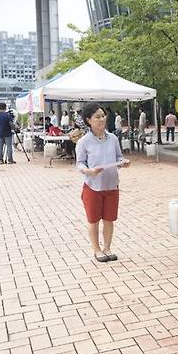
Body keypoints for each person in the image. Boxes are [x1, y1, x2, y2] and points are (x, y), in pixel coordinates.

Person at [75, 102, 130, 263]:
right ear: (88, 120)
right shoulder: (84, 141)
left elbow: (119, 157)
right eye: (97, 117)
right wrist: (88, 171)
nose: (101, 119)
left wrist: (123, 162)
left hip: (112, 186)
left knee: (109, 219)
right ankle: (97, 250)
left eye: (103, 116)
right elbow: (80, 163)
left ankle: (107, 248)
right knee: (93, 220)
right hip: (93, 187)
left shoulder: (112, 138)